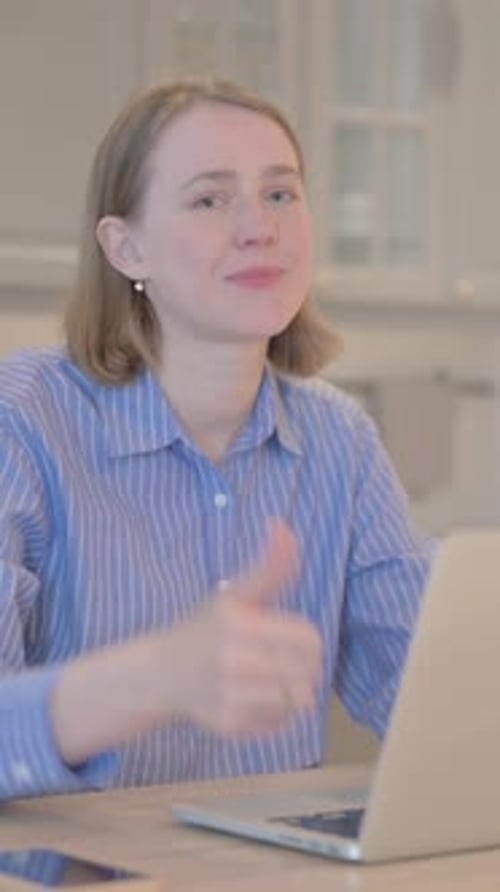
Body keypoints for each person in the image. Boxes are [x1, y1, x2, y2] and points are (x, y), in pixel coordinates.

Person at [0, 78, 434, 801]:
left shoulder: (341, 441)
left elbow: (426, 693)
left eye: (280, 194)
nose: (258, 227)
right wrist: (159, 676)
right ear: (126, 247)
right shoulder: (20, 421)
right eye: (210, 199)